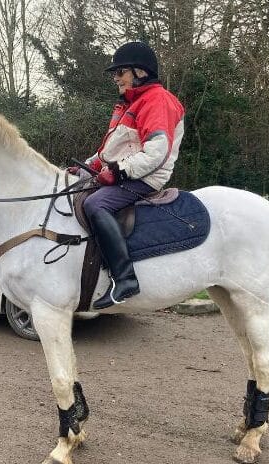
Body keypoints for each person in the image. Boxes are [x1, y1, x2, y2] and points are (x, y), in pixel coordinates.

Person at [71, 41, 185, 309]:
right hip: (126, 173)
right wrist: (87, 167)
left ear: (139, 72)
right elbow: (110, 151)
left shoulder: (157, 100)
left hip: (145, 177)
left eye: (120, 72)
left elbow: (157, 152)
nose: (116, 78)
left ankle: (125, 278)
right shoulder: (129, 105)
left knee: (95, 204)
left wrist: (119, 172)